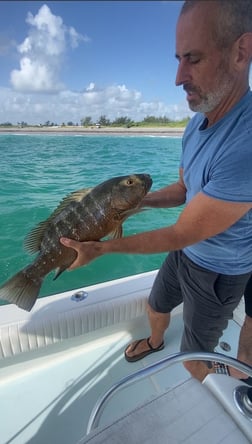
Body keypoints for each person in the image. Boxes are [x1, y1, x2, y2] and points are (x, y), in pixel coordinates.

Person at [60, 0, 252, 382]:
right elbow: (183, 189)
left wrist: (103, 247)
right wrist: (131, 204)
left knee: (194, 359)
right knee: (156, 305)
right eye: (178, 58)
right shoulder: (195, 125)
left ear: (241, 53)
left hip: (219, 270)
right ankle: (155, 340)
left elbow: (181, 231)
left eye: (193, 59)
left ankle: (230, 388)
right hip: (185, 254)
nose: (178, 77)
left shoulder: (245, 145)